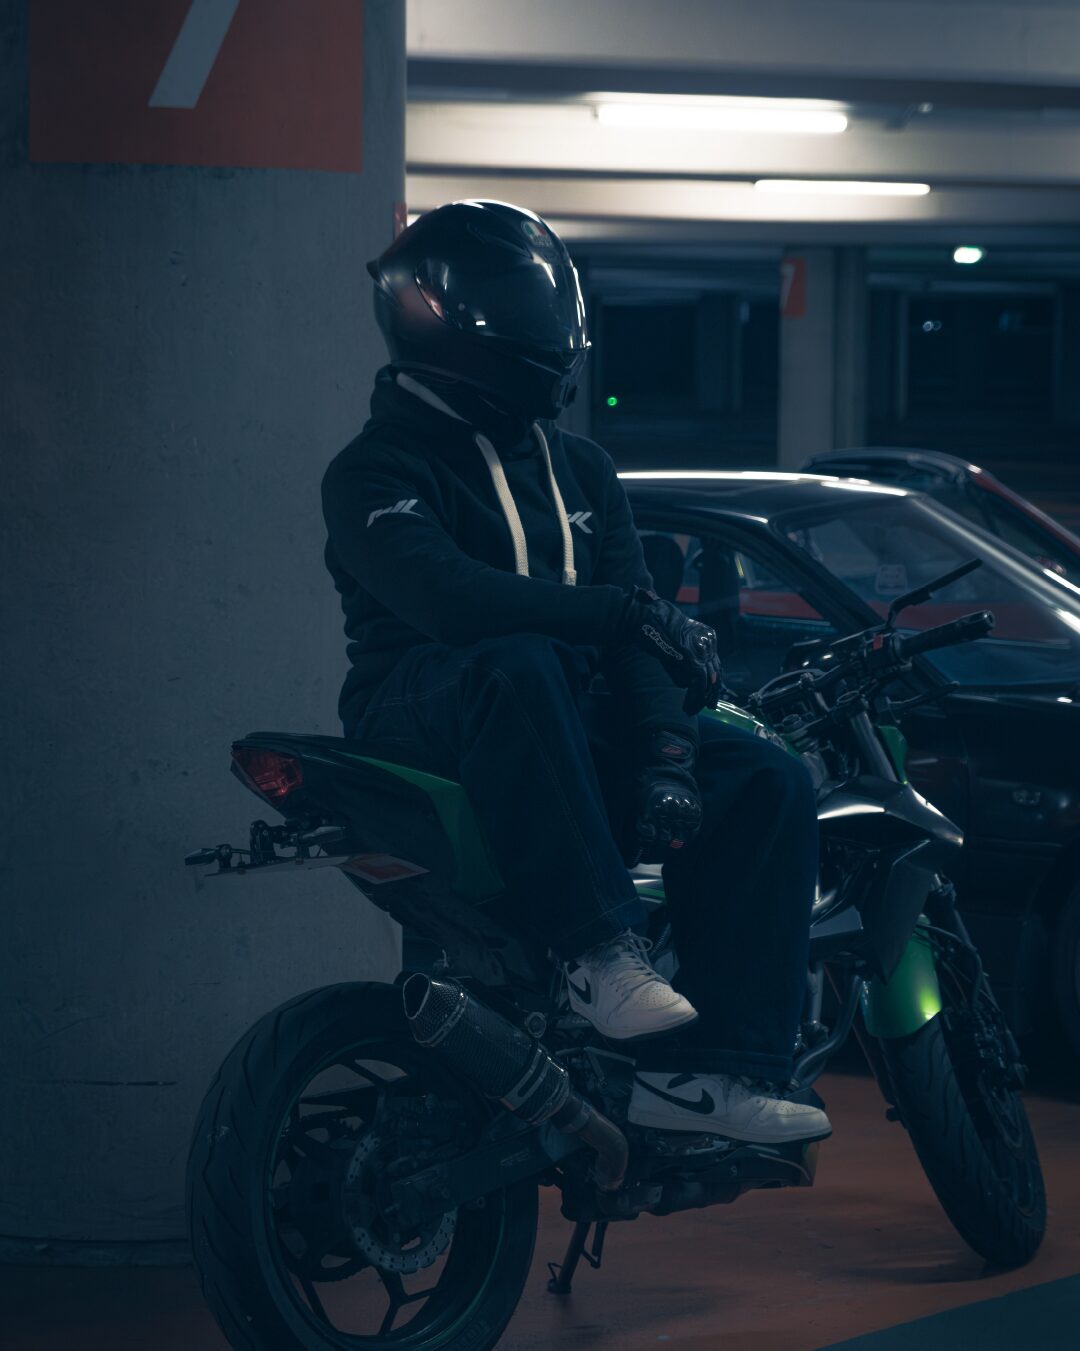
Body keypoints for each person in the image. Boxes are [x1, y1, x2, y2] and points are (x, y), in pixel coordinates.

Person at [321, 200, 830, 1144]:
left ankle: (710, 1073)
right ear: (447, 321)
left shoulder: (583, 470)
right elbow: (450, 603)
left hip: (553, 714)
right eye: (522, 311)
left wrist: (670, 754)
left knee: (767, 774)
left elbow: (639, 642)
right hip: (420, 712)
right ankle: (597, 951)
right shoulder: (373, 471)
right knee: (515, 658)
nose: (546, 336)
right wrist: (622, 613)